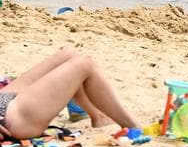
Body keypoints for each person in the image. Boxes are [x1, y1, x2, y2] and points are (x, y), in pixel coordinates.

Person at [0, 48, 141, 140]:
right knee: (86, 64)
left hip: (3, 99)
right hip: (8, 116)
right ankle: (133, 126)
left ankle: (98, 117)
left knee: (69, 55)